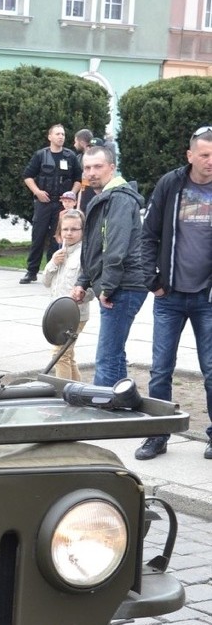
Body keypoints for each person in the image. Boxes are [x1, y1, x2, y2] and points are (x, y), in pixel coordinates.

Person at [135, 126, 212, 461]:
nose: (210, 161)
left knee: (211, 369)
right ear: (190, 155)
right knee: (161, 369)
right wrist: (152, 280)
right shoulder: (171, 184)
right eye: (205, 155)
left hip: (207, 299)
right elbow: (147, 234)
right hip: (169, 297)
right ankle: (157, 435)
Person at [71, 142, 147, 387]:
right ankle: (121, 403)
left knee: (107, 356)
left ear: (111, 168)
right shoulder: (105, 198)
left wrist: (107, 287)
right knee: (114, 351)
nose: (92, 172)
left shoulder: (120, 199)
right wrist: (84, 281)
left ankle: (103, 410)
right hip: (117, 284)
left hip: (124, 285)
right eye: (87, 168)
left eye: (98, 167)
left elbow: (116, 249)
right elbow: (93, 246)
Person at [20, 124, 83, 283]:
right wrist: (37, 192)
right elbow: (28, 176)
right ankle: (31, 271)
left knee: (58, 237)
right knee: (38, 236)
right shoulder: (41, 155)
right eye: (57, 134)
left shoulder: (70, 156)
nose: (61, 137)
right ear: (50, 137)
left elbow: (78, 179)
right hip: (44, 202)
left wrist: (71, 195)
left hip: (62, 204)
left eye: (63, 134)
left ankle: (53, 269)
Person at [41, 208, 92, 381]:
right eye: (65, 229)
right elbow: (46, 282)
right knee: (67, 355)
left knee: (59, 354)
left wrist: (80, 294)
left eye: (74, 229)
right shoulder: (60, 252)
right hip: (57, 314)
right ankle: (79, 390)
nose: (69, 234)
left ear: (83, 230)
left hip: (75, 314)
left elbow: (92, 288)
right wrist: (53, 263)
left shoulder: (86, 254)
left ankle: (62, 393)